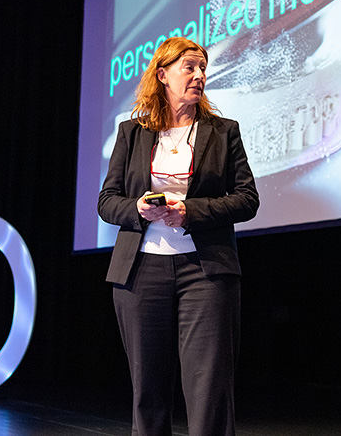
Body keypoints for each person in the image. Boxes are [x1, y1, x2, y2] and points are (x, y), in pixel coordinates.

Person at [98, 36, 259, 436]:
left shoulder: (223, 132)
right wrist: (138, 208)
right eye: (189, 67)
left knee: (209, 392)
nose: (199, 75)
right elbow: (107, 201)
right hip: (140, 272)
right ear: (162, 75)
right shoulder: (131, 132)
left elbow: (247, 199)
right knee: (148, 392)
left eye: (203, 68)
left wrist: (191, 211)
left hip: (205, 273)